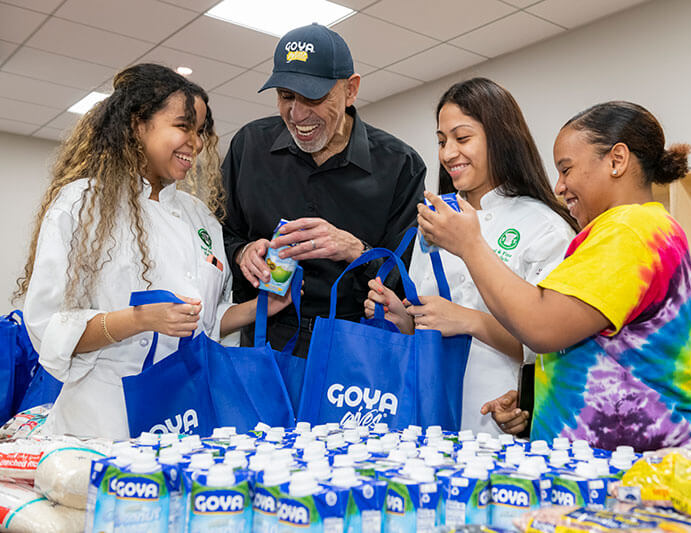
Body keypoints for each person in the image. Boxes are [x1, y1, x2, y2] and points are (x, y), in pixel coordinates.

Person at [15, 63, 292, 440]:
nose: (194, 143)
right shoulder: (82, 204)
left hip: (182, 419)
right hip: (102, 424)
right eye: (182, 126)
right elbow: (49, 329)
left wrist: (261, 307)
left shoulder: (200, 218)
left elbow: (202, 321)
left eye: (200, 131)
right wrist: (138, 319)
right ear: (137, 125)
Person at [418, 101, 691, 453]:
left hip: (634, 470)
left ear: (616, 161)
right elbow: (587, 345)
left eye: (567, 169)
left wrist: (470, 246)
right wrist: (534, 400)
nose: (559, 187)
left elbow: (541, 327)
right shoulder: (618, 232)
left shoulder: (631, 231)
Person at [363, 78, 578, 435]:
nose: (448, 153)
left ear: (500, 137)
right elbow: (427, 325)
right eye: (442, 141)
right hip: (427, 420)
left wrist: (468, 320)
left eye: (462, 139)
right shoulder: (432, 225)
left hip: (500, 422)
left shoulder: (544, 226)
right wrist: (404, 320)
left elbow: (552, 343)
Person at [222, 23, 425, 355]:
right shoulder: (249, 146)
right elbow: (218, 236)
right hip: (262, 344)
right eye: (286, 96)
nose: (297, 114)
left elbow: (409, 281)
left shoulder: (400, 165)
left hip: (354, 349)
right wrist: (242, 253)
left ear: (350, 90)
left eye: (313, 97)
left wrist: (356, 250)